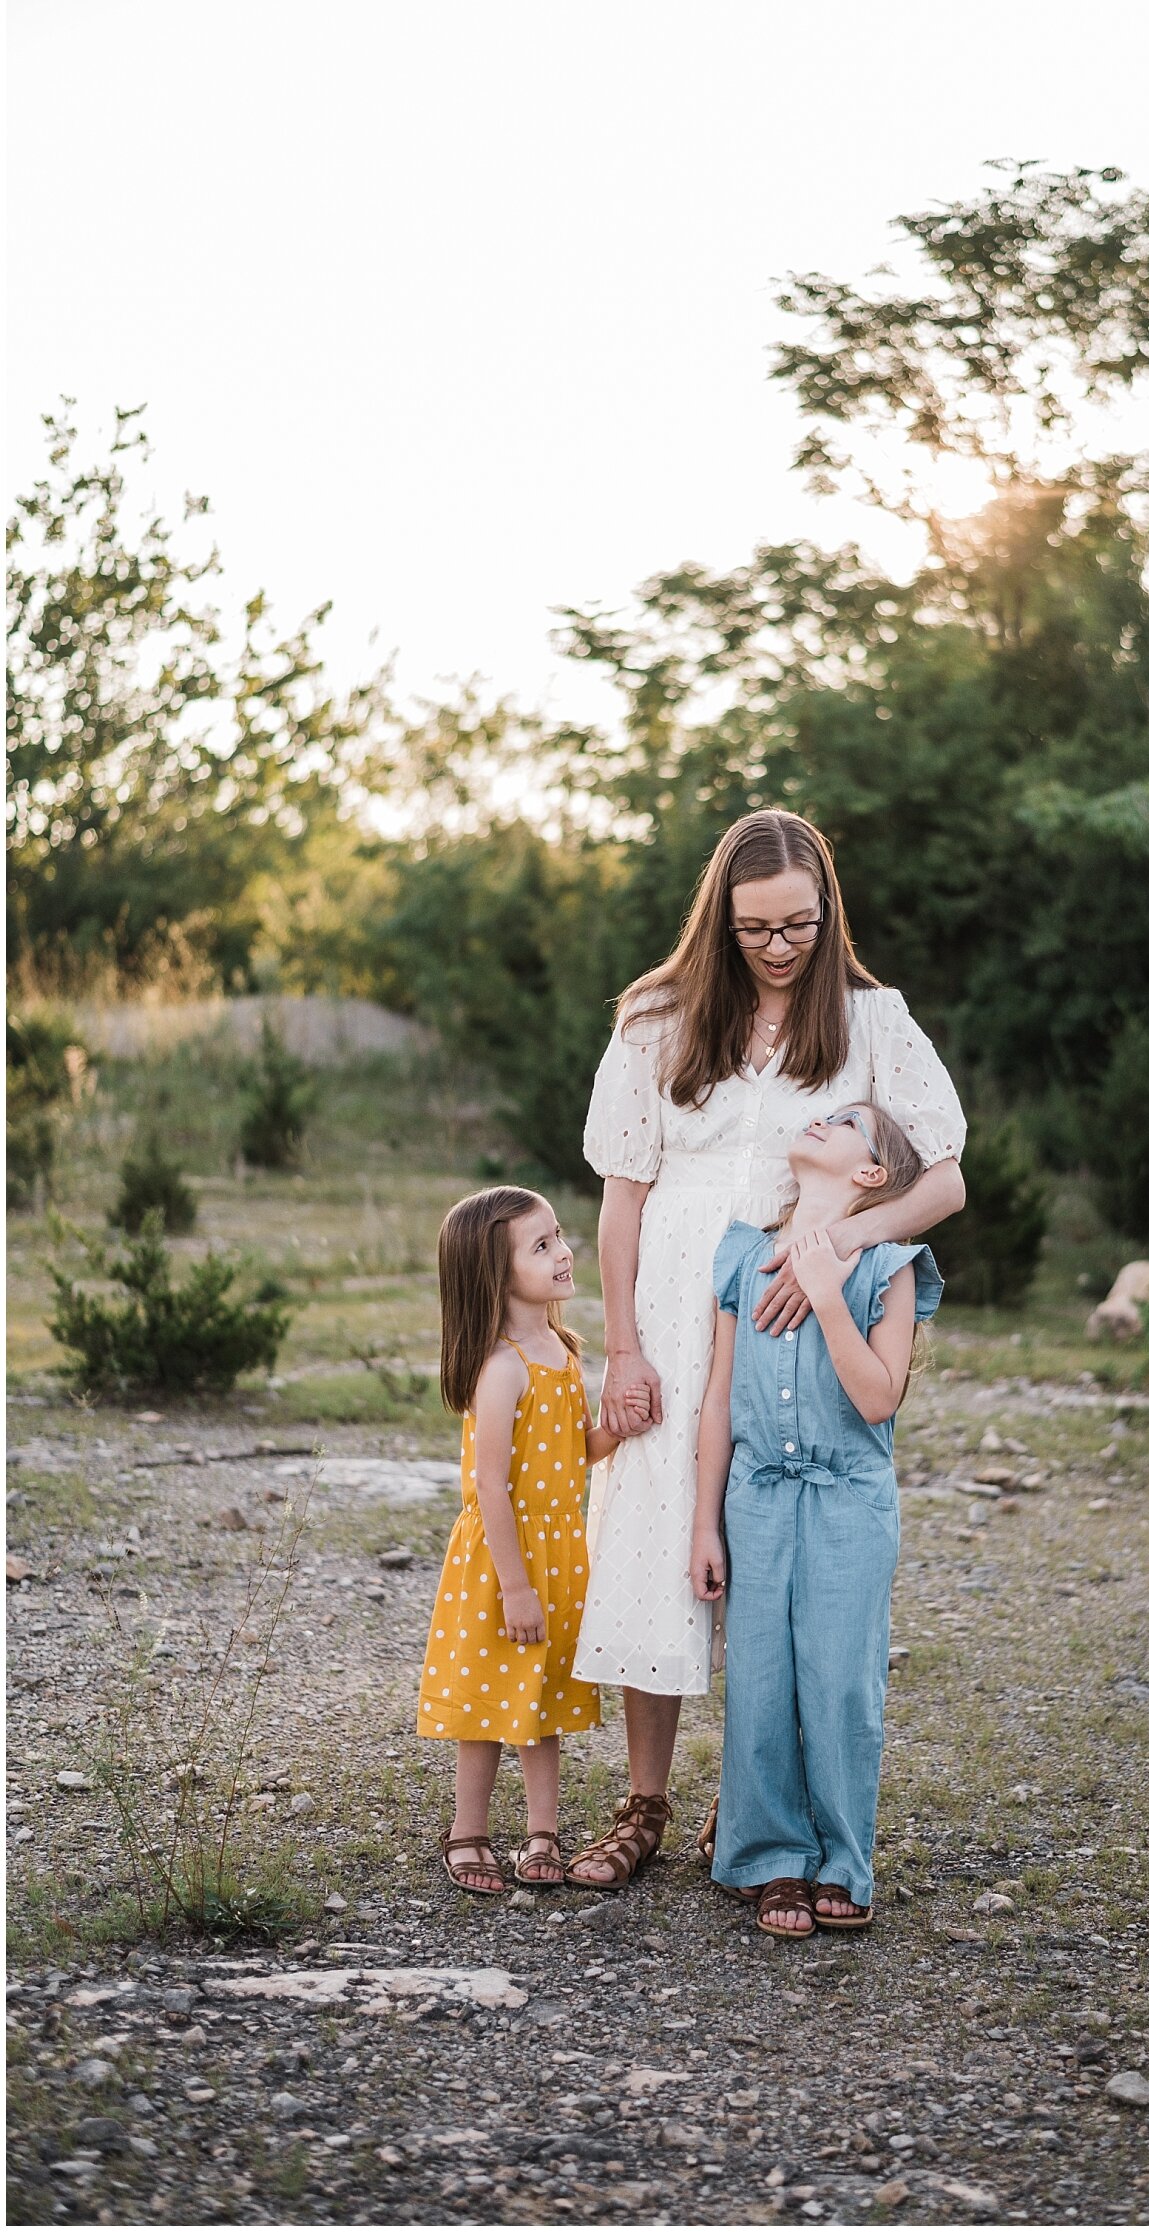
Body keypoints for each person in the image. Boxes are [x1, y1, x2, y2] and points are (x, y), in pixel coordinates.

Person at [565, 809, 965, 1892]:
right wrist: (624, 1348)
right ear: (720, 918)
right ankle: (646, 1799)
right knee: (659, 1542)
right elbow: (620, 1202)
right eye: (755, 929)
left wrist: (833, 1241)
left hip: (783, 1306)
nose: (779, 947)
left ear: (826, 910)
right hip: (668, 1295)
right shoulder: (656, 1017)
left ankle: (755, 1804)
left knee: (768, 1551)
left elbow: (943, 1177)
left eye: (798, 924)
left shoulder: (872, 1018)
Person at [689, 1101, 941, 1936]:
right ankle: (773, 1860)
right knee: (760, 1682)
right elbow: (719, 1400)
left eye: (845, 1123)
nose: (820, 1121)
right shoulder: (743, 1255)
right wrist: (703, 1524)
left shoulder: (891, 1267)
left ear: (870, 1174)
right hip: (755, 1498)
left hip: (848, 1503)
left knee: (838, 1685)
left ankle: (842, 1859)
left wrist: (830, 1297)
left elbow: (877, 1397)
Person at [417, 1185, 645, 1892]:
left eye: (559, 1236)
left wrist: (621, 1425)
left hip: (553, 1555)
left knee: (541, 1699)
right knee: (487, 1703)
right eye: (540, 1246)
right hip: (503, 1559)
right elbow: (490, 1486)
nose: (564, 1251)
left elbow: (571, 1451)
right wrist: (515, 1584)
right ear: (496, 1272)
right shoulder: (503, 1365)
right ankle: (469, 1833)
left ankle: (542, 1833)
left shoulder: (562, 1349)